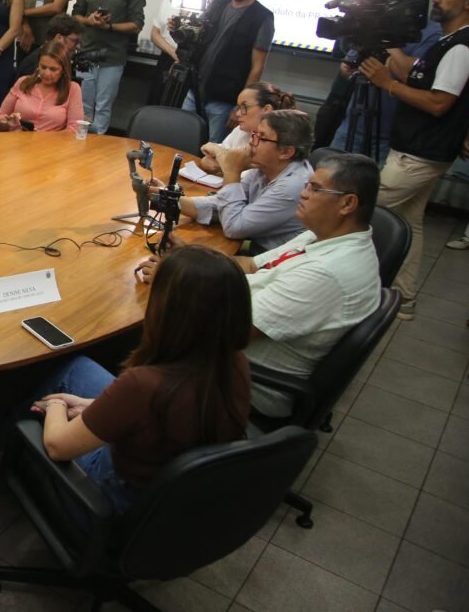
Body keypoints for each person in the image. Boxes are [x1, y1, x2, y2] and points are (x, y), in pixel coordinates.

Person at [136, 152, 381, 419]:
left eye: (314, 188)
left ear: (347, 203)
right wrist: (191, 256)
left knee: (131, 326)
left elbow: (228, 330)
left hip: (234, 384)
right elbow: (252, 266)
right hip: (225, 336)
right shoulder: (322, 236)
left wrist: (174, 276)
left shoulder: (328, 273)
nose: (303, 192)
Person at [31, 245, 251, 512]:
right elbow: (156, 413)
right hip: (173, 498)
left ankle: (6, 452)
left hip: (110, 501)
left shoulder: (143, 385)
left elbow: (57, 447)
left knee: (49, 392)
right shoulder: (236, 361)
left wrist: (57, 407)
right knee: (77, 368)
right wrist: (94, 407)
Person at [359, 0, 469, 320]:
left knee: (360, 214)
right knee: (410, 223)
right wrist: (387, 44)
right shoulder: (447, 42)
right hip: (419, 150)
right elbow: (415, 74)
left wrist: (385, 84)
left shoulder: (461, 47)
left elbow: (439, 102)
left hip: (419, 153)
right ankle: (403, 299)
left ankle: (348, 292)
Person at [316, 0, 442, 157]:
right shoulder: (371, 18)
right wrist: (349, 67)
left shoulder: (428, 32)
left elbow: (411, 75)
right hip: (350, 124)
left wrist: (386, 38)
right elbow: (349, 66)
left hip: (386, 133)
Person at [170, 109, 314, 254]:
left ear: (286, 152)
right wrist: (161, 196)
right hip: (249, 243)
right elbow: (223, 204)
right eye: (254, 134)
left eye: (261, 138)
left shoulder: (293, 186)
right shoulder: (264, 167)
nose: (251, 141)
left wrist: (232, 170)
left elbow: (233, 227)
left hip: (266, 261)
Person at [181, 0, 275, 143]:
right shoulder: (217, 5)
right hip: (196, 89)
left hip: (224, 99)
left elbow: (257, 67)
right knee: (181, 138)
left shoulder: (262, 17)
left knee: (214, 150)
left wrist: (242, 107)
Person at [72, 0, 146, 134]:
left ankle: (98, 147)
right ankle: (80, 144)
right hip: (86, 53)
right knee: (83, 105)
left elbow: (137, 25)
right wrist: (89, 21)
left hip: (112, 57)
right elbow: (75, 15)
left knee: (103, 106)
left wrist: (109, 26)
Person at [148, 0, 217, 105]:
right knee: (157, 101)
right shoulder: (169, 1)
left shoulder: (212, 7)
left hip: (194, 64)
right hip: (168, 58)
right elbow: (155, 33)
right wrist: (174, 53)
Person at [198, 82, 296, 175]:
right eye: (238, 107)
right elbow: (210, 160)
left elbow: (245, 178)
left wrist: (219, 154)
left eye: (244, 107)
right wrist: (218, 159)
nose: (238, 114)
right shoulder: (242, 130)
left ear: (266, 110)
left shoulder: (274, 143)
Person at [0, 39, 84, 133]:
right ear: (38, 66)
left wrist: (43, 138)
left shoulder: (72, 89)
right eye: (43, 67)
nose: (47, 73)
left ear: (63, 70)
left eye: (53, 69)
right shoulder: (23, 82)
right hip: (17, 142)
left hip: (53, 145)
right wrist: (7, 123)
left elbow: (75, 128)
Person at [15, 14, 82, 79]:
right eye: (74, 41)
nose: (78, 46)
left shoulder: (60, 59)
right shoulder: (33, 65)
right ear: (59, 38)